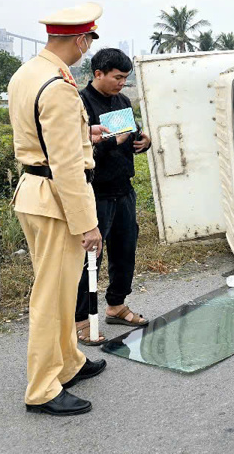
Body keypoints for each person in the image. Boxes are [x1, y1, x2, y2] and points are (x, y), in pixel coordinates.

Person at [8, 2, 108, 416]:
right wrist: (88, 224)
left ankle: (68, 361)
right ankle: (43, 388)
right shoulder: (61, 88)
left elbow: (45, 134)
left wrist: (86, 131)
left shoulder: (29, 73)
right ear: (82, 40)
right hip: (57, 200)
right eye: (89, 40)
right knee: (52, 296)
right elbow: (67, 166)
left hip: (36, 191)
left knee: (64, 290)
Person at [74, 48, 152, 345]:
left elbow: (128, 134)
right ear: (98, 74)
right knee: (90, 258)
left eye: (125, 78)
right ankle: (81, 319)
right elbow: (79, 153)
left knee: (125, 250)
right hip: (96, 193)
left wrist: (141, 139)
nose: (122, 83)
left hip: (124, 189)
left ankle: (116, 304)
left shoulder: (121, 101)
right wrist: (110, 142)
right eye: (117, 78)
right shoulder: (80, 104)